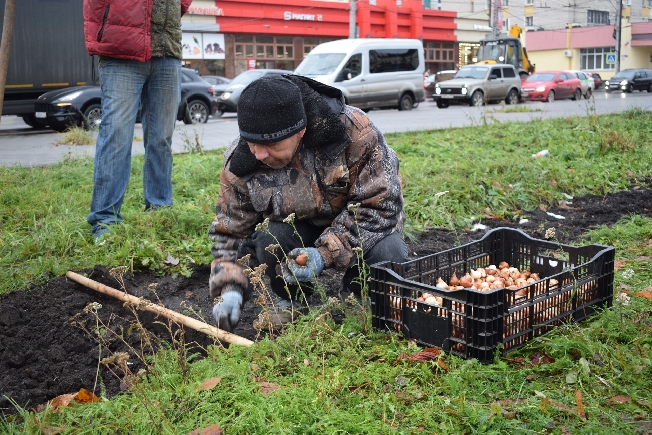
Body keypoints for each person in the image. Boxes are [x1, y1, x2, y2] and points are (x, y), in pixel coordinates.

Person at [207, 74, 410, 333]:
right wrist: (229, 287)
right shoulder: (241, 161)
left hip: (363, 225)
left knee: (389, 252)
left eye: (270, 145)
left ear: (300, 131)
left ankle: (357, 299)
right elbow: (230, 230)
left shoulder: (355, 134)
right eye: (252, 143)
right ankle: (290, 301)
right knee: (271, 238)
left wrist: (326, 253)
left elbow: (380, 207)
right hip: (301, 224)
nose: (259, 154)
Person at [83, 0, 193, 239]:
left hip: (167, 50)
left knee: (161, 138)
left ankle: (159, 208)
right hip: (121, 48)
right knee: (116, 137)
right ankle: (105, 219)